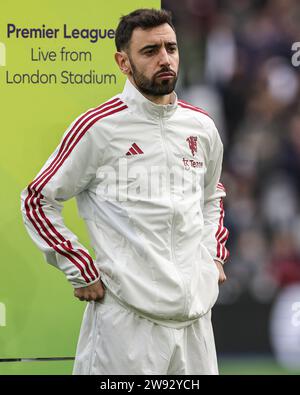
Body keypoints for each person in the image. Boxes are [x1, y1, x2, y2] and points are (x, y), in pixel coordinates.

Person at [21, 8, 229, 375]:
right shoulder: (99, 126)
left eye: (171, 48)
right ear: (123, 62)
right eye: (150, 51)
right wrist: (79, 267)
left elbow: (212, 196)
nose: (165, 59)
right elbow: (37, 199)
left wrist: (214, 258)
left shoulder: (202, 126)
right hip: (127, 324)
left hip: (196, 321)